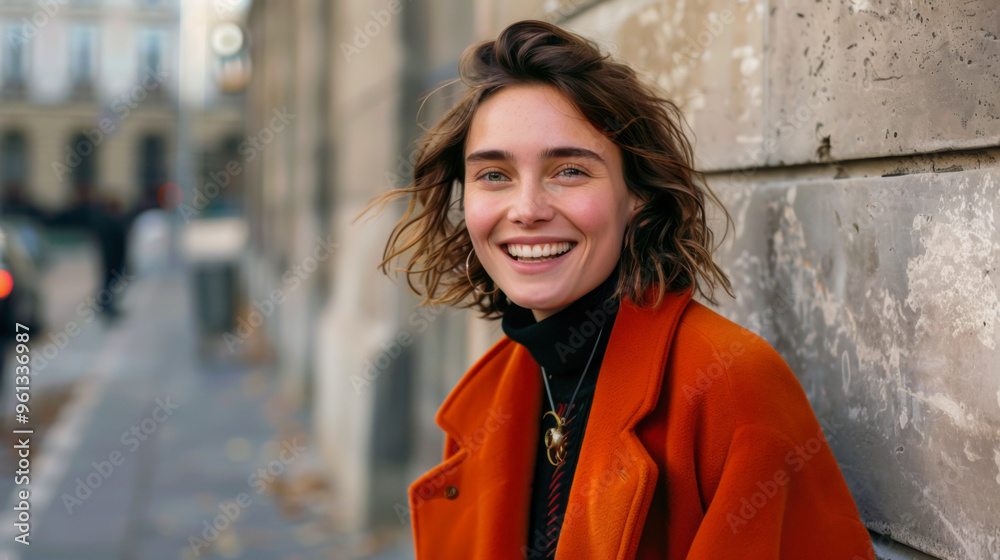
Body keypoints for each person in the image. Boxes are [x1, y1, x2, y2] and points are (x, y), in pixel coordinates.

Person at [359, 20, 875, 560]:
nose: (528, 209)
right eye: (494, 175)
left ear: (638, 197)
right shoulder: (494, 398)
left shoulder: (732, 386)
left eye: (570, 171)